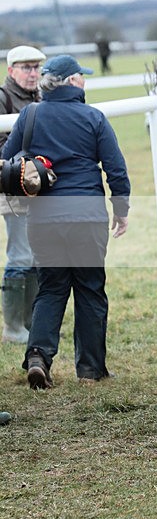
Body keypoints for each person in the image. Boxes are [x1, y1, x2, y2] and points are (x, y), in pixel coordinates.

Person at [1, 54, 130, 388]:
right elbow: (116, 169)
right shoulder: (93, 117)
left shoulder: (29, 115)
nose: (84, 81)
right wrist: (122, 209)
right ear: (72, 81)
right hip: (86, 216)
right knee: (90, 289)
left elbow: (5, 160)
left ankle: (38, 357)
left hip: (43, 219)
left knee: (51, 288)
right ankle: (90, 370)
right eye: (81, 77)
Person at [0, 44, 46, 344]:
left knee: (35, 255)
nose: (32, 73)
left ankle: (29, 322)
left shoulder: (40, 97)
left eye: (36, 67)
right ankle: (13, 327)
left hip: (38, 187)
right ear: (11, 70)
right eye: (26, 68)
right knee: (20, 253)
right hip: (12, 186)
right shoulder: (3, 97)